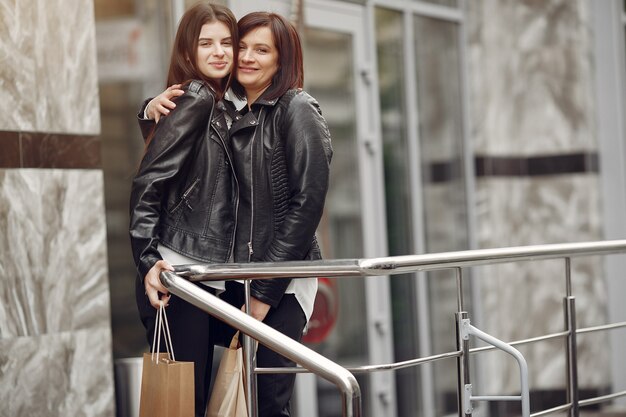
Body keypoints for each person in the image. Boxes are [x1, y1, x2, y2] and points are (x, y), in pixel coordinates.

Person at [146, 11, 333, 417]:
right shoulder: (224, 107)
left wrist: (265, 292)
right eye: (241, 46)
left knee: (266, 399)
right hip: (230, 278)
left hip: (280, 285)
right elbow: (179, 165)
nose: (246, 57)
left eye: (261, 50)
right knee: (225, 393)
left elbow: (307, 207)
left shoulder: (296, 108)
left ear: (282, 60)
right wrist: (150, 108)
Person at [128, 3, 239, 416]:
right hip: (178, 274)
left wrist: (146, 113)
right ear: (188, 50)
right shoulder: (196, 97)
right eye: (205, 42)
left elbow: (179, 162)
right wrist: (147, 258)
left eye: (227, 42)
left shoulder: (222, 102)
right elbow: (151, 180)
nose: (218, 51)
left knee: (199, 398)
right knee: (184, 402)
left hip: (201, 273)